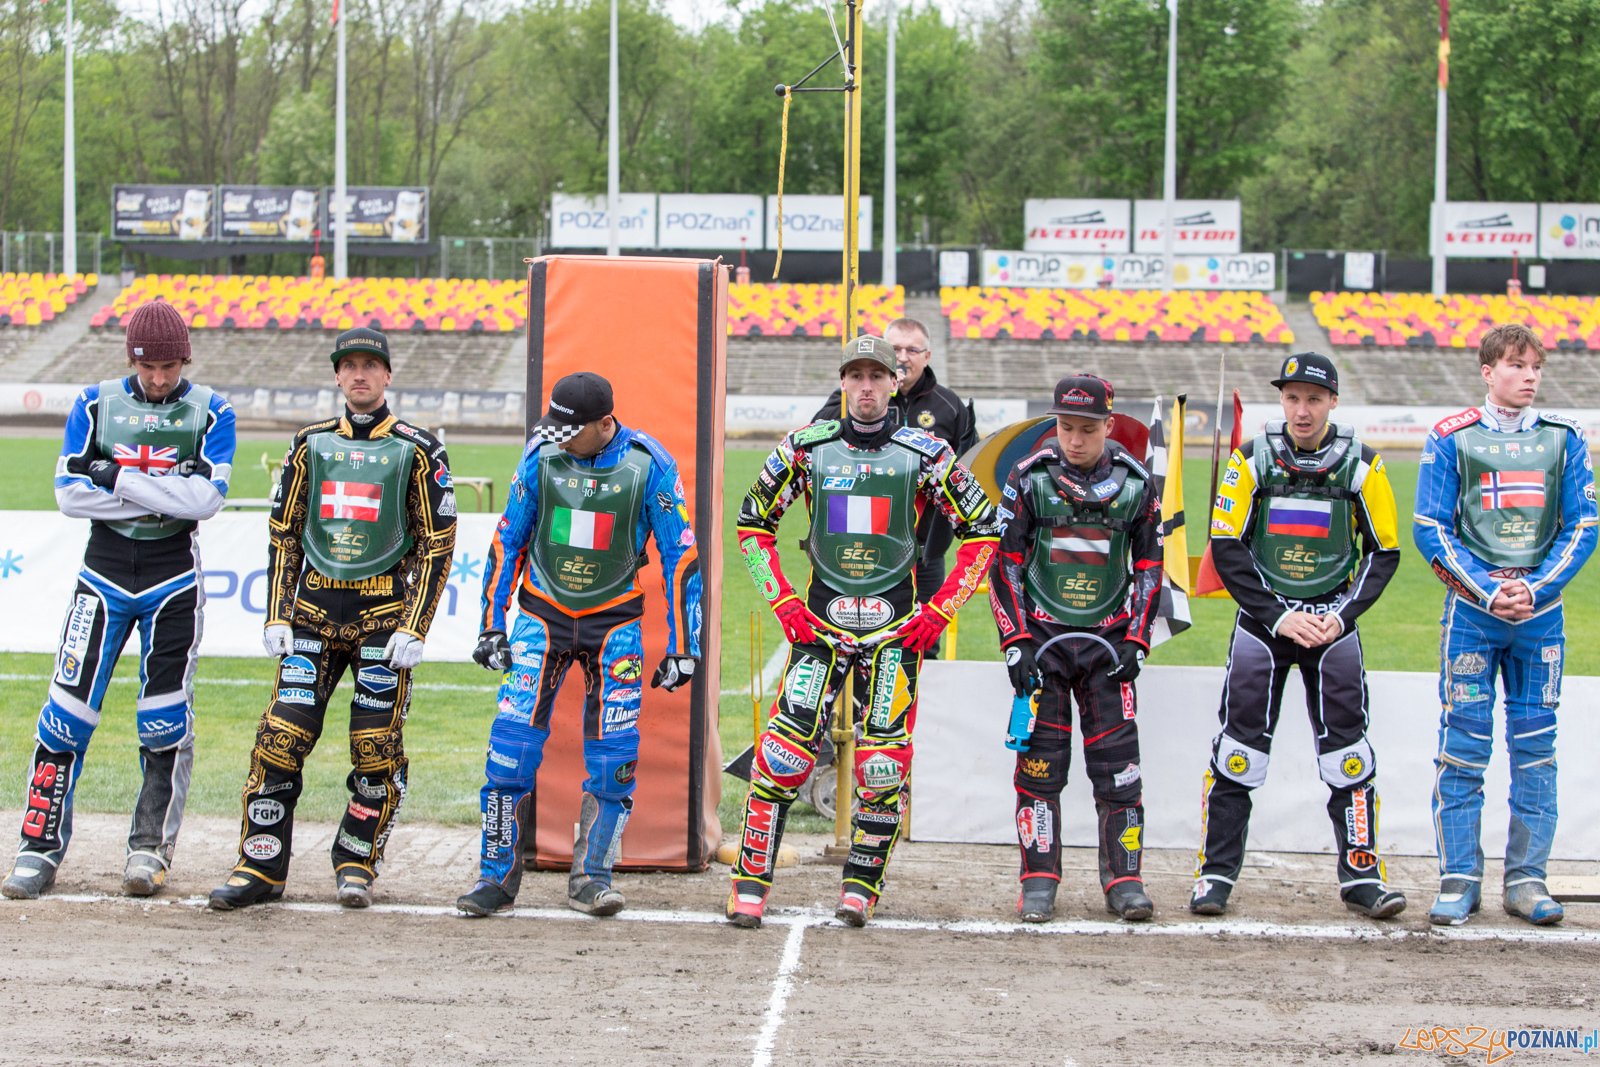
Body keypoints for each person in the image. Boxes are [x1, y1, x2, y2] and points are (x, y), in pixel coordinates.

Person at [727, 335, 1000, 929]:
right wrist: (783, 601)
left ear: (894, 382)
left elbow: (985, 530)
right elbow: (752, 522)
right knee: (780, 758)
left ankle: (860, 889)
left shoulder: (928, 454)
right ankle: (749, 885)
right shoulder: (805, 448)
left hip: (895, 633)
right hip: (817, 630)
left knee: (882, 767)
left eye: (877, 375)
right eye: (856, 375)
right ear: (843, 382)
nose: (867, 386)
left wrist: (941, 610)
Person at [208, 327, 456, 911]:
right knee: (279, 739)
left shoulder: (420, 449)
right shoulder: (309, 443)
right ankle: (259, 866)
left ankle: (356, 863)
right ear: (337, 375)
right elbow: (284, 533)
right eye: (349, 365)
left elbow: (438, 542)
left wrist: (414, 626)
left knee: (375, 748)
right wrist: (277, 614)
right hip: (312, 619)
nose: (360, 374)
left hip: (383, 623)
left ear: (388, 374)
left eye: (371, 364)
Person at [2, 299, 236, 901]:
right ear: (130, 359)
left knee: (164, 720)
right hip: (101, 575)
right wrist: (167, 489)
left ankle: (149, 849)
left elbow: (206, 502)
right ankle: (37, 848)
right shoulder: (94, 403)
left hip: (173, 580)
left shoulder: (213, 410)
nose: (158, 378)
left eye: (169, 367)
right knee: (65, 714)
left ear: (186, 359)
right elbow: (69, 495)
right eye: (147, 366)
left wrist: (116, 476)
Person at [457, 372, 701, 918]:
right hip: (540, 617)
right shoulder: (540, 455)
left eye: (571, 430)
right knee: (508, 755)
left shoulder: (650, 464)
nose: (559, 438)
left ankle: (592, 878)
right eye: (555, 427)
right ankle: (495, 880)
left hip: (615, 624)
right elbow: (508, 540)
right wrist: (491, 625)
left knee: (615, 762)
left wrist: (685, 646)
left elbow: (680, 556)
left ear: (605, 422)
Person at [1190, 352, 1406, 920]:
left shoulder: (1364, 464)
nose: (1302, 410)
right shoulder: (1250, 458)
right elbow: (1226, 547)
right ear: (1281, 400)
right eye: (1292, 398)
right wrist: (1278, 615)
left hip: (1332, 627)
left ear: (1333, 400)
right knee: (1238, 753)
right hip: (1264, 627)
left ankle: (1363, 877)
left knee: (1349, 756)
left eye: (1313, 399)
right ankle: (1214, 875)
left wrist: (1341, 617)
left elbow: (1384, 552)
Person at [1414, 324, 1597, 926]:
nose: (1530, 376)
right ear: (1488, 371)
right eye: (1517, 365)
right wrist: (1489, 591)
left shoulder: (1566, 439)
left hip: (1540, 619)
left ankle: (1526, 881)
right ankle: (1459, 879)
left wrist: (1534, 587)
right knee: (1463, 749)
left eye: (1536, 366)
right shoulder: (1451, 438)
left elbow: (1583, 525)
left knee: (1536, 752)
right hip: (1473, 616)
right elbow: (1431, 528)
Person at [989, 374, 1162, 923]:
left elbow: (1149, 566)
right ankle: (1039, 881)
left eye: (1088, 429)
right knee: (1039, 771)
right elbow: (1004, 563)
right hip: (1044, 647)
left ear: (1109, 425)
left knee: (1120, 772)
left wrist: (1138, 638)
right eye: (1066, 428)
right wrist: (1016, 642)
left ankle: (1126, 881)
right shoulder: (1028, 478)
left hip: (1108, 649)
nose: (1075, 440)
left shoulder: (1137, 484)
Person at [812, 317, 977, 620]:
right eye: (895, 349)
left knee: (924, 634)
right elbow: (818, 446)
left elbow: (968, 471)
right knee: (849, 631)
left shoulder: (950, 405)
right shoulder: (851, 397)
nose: (902, 357)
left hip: (925, 549)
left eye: (912, 350)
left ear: (927, 356)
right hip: (859, 545)